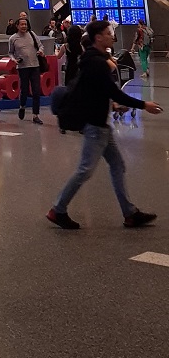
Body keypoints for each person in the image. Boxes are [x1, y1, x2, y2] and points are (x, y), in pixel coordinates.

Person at [47, 20, 162, 230]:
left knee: (117, 165)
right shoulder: (97, 63)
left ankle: (130, 213)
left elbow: (95, 91)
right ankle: (58, 209)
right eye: (108, 33)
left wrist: (113, 105)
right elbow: (113, 91)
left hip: (101, 125)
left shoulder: (92, 59)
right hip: (95, 126)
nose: (112, 36)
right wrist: (143, 104)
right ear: (98, 37)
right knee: (85, 170)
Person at [9, 17, 44, 124]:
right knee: (24, 90)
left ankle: (35, 115)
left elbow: (40, 46)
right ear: (17, 26)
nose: (24, 26)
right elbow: (10, 52)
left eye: (25, 24)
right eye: (22, 24)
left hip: (35, 66)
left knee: (36, 91)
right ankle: (22, 106)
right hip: (22, 67)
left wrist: (40, 51)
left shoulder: (32, 35)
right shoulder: (13, 38)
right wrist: (14, 60)